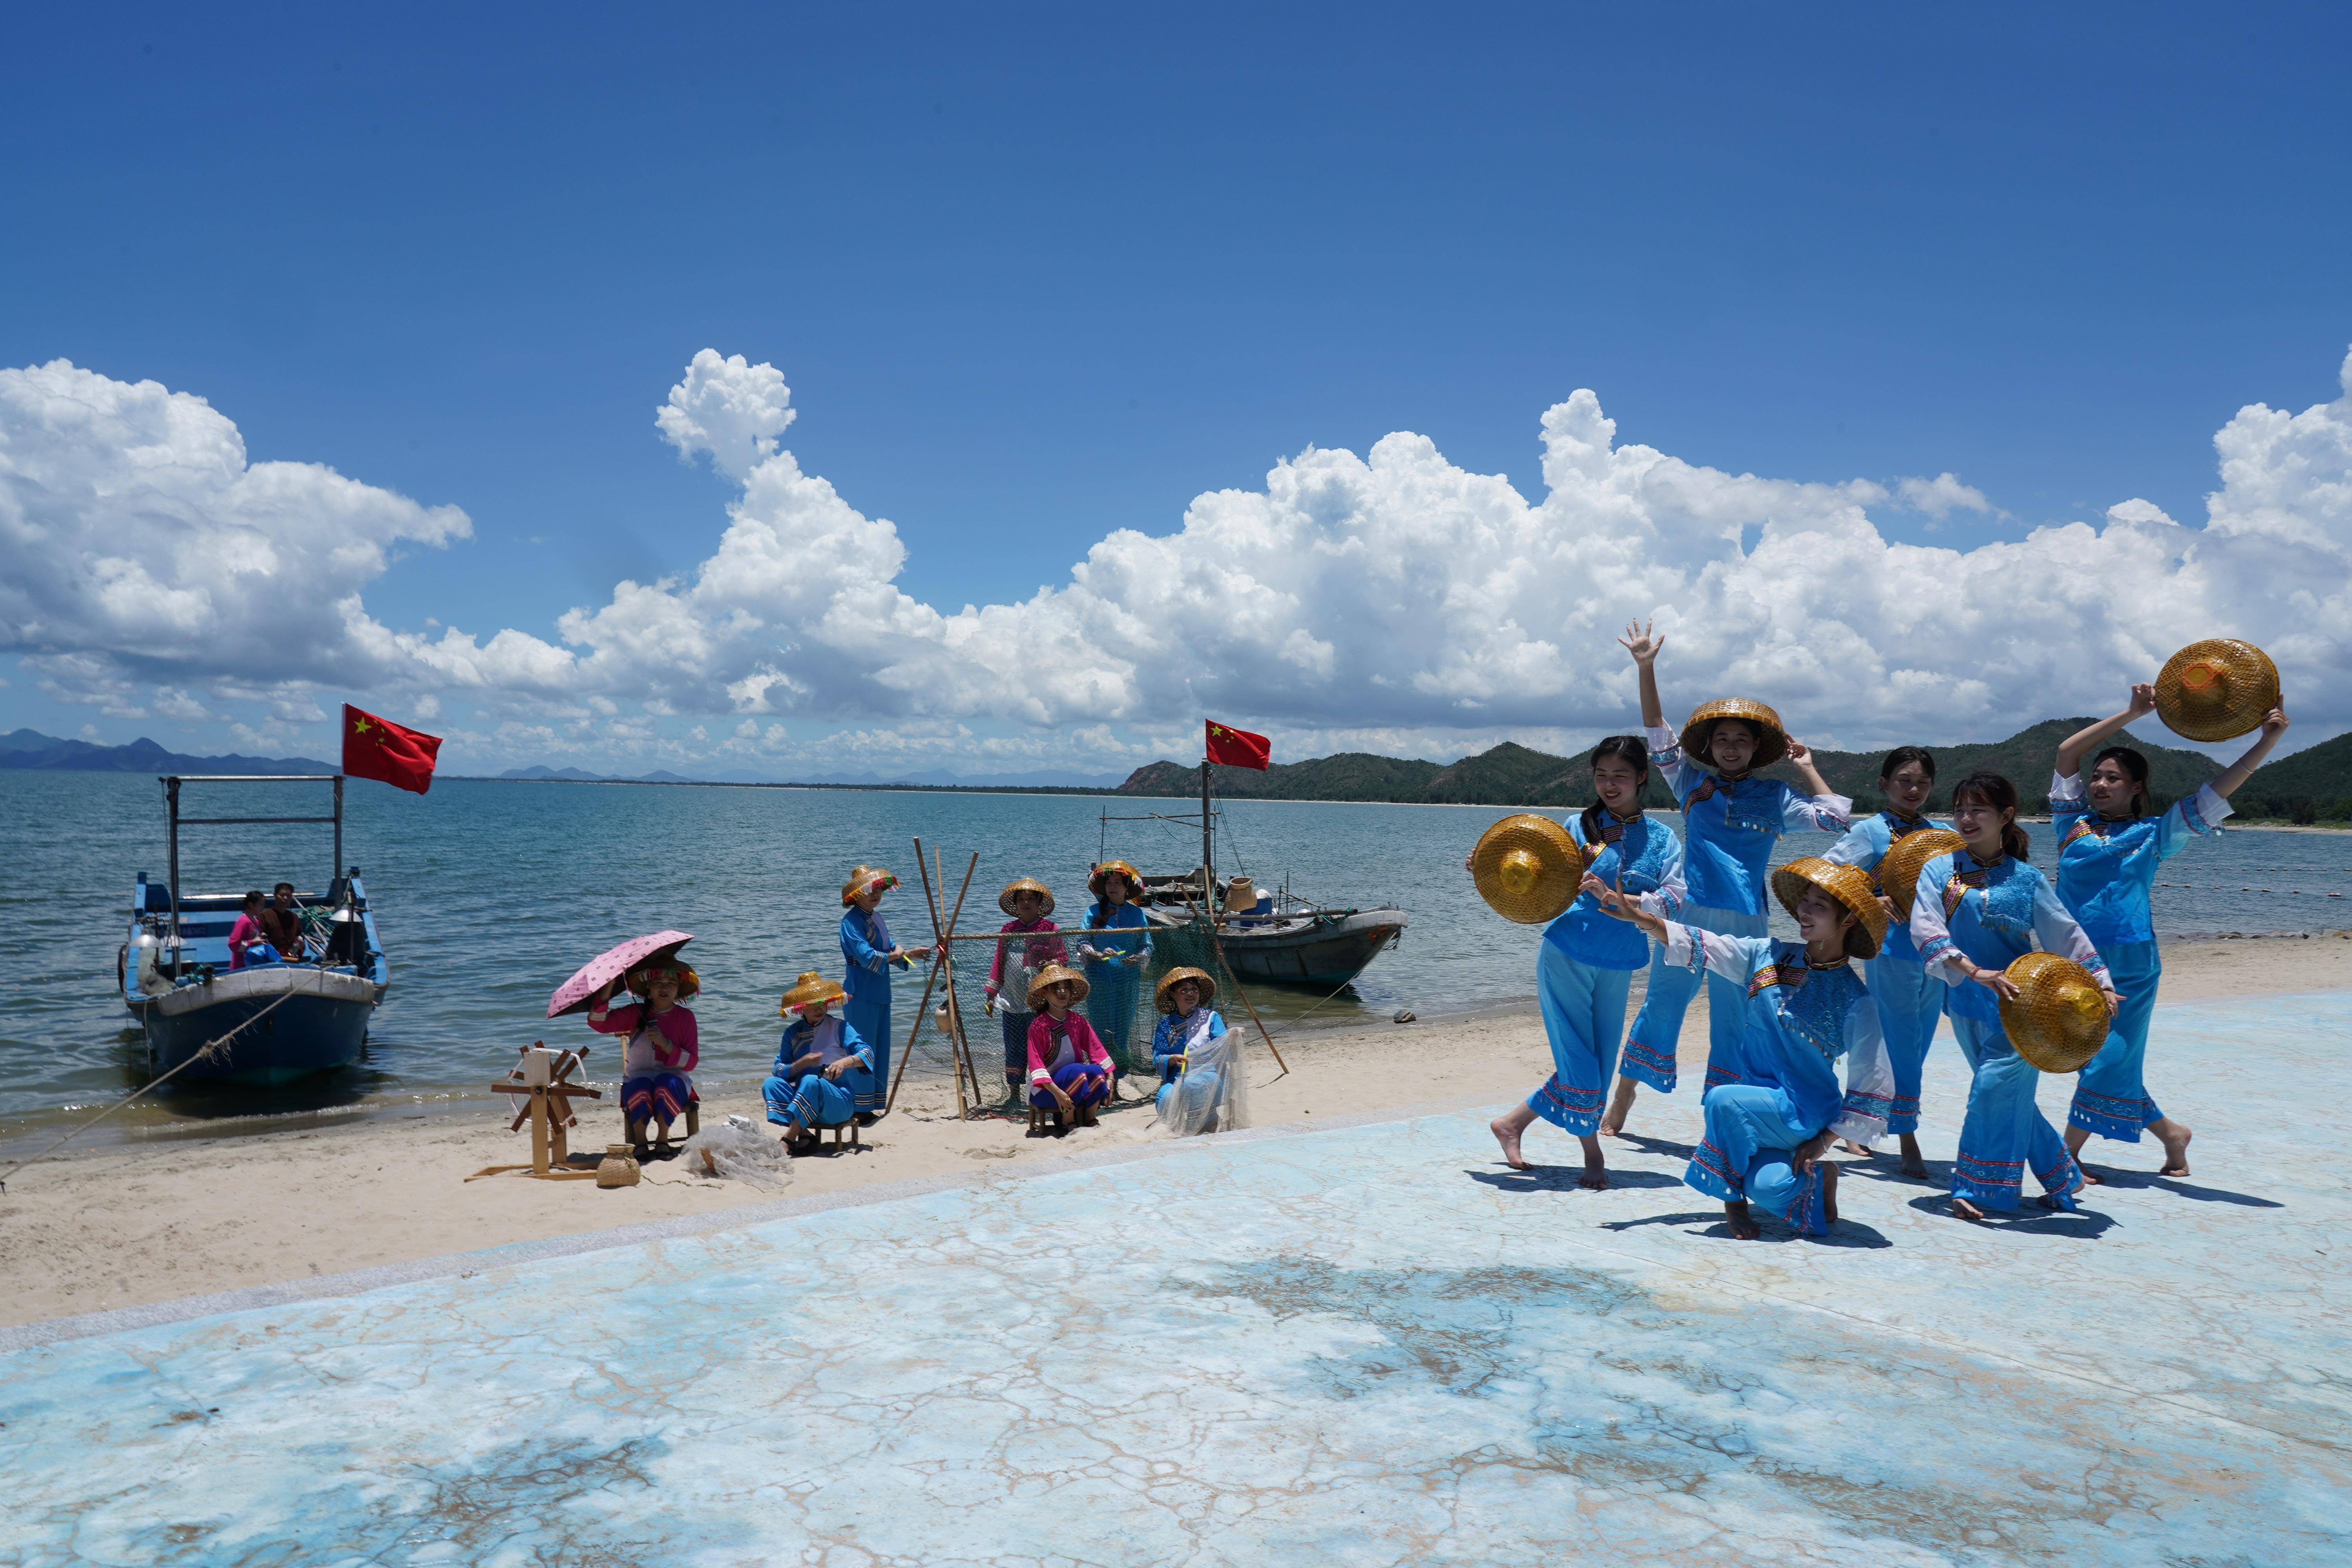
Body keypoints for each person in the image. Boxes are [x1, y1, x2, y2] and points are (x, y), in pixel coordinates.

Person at [1606, 620, 1852, 1132]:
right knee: (1661, 1007)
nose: (1732, 747)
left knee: (1736, 1025)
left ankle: (1725, 1119)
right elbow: (1657, 730)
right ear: (1710, 745)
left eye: (1742, 740)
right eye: (1723, 739)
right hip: (1689, 910)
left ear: (1756, 746)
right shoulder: (1691, 783)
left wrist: (1805, 765)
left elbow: (1834, 819)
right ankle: (1622, 1102)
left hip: (1745, 923)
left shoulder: (1776, 796)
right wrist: (1647, 667)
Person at [2052, 686, 2289, 1180]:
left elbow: (2217, 791)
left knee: (2107, 1059)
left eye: (2113, 778)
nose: (2099, 783)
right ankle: (2171, 1134)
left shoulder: (2156, 834)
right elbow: (2066, 753)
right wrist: (2133, 714)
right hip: (2074, 962)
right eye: (2097, 776)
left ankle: (2066, 1155)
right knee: (2088, 1056)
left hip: (2131, 965)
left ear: (2136, 788)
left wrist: (2268, 741)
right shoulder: (2069, 825)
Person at [1593, 855, 1894, 1239]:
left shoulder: (1857, 1000)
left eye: (1819, 906)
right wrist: (1643, 919)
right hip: (1758, 1100)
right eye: (1805, 900)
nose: (1805, 910)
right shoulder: (1767, 955)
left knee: (1721, 1099)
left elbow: (1874, 1083)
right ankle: (1821, 1181)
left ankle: (1733, 1207)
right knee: (1767, 1188)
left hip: (1804, 1109)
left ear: (1848, 920)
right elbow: (1705, 944)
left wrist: (1825, 1140)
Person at [1909, 771, 2118, 1220]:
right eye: (1960, 809)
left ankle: (1979, 1189)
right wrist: (1971, 971)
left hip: (2025, 1005)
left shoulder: (2026, 878)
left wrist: (2101, 981)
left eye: (1978, 810)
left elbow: (2065, 932)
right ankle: (2063, 1176)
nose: (1966, 818)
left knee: (1989, 1090)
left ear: (2005, 816)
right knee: (2008, 1096)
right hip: (1967, 998)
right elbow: (1926, 926)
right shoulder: (1939, 869)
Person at [1485, 736, 1684, 1189]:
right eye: (1601, 775)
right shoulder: (1577, 826)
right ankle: (1593, 1155)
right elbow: (1533, 876)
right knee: (1580, 1063)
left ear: (1641, 778)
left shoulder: (1663, 838)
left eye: (1620, 775)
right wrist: (1492, 866)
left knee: (1599, 1061)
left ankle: (1511, 1124)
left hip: (1621, 959)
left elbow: (1674, 900)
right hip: (1567, 952)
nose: (1609, 785)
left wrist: (1621, 900)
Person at [1822, 746, 1946, 1176]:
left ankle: (1854, 1125)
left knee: (1915, 1046)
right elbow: (1825, 875)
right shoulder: (1871, 832)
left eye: (1923, 783)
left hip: (1937, 953)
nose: (1914, 789)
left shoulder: (1941, 834)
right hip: (1889, 951)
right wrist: (1871, 901)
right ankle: (1906, 1138)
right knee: (1892, 1046)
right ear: (1884, 785)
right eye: (1904, 781)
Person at [839, 866, 935, 1121]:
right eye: (870, 890)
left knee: (879, 1049)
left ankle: (870, 1104)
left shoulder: (877, 919)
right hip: (860, 992)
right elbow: (867, 956)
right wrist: (897, 954)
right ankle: (858, 1107)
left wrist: (911, 954)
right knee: (861, 1050)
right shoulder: (850, 923)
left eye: (879, 889)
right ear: (857, 895)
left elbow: (891, 949)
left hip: (882, 991)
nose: (876, 894)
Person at [588, 960, 700, 1151]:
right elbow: (599, 1024)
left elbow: (691, 1063)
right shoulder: (636, 1013)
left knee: (666, 1083)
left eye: (671, 984)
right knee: (641, 1086)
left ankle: (662, 1140)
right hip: (639, 1077)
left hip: (675, 1080)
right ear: (649, 986)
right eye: (658, 983)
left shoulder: (685, 1017)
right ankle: (640, 1141)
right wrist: (607, 990)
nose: (665, 988)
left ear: (678, 988)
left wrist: (667, 1045)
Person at [762, 972, 876, 1153]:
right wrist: (801, 1064)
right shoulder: (792, 1034)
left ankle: (789, 1138)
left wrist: (844, 1063)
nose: (819, 1008)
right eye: (812, 1004)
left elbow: (867, 1053)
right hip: (805, 1102)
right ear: (801, 1008)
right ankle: (806, 1134)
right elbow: (778, 1070)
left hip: (837, 1104)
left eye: (822, 1002)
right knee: (771, 1084)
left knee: (810, 1081)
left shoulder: (840, 1027)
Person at [983, 877, 1067, 1099]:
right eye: (1021, 899)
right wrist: (991, 995)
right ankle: (1014, 1094)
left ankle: (1044, 1091)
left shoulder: (1050, 929)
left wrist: (1050, 964)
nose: (1026, 903)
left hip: (1040, 1001)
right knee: (1013, 1047)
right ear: (1015, 903)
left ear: (1040, 903)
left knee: (1042, 1047)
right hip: (1011, 1000)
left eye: (1031, 899)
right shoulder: (1008, 930)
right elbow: (998, 964)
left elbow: (1062, 958)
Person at [1076, 860, 1152, 1080]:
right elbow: (1082, 942)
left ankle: (1117, 1080)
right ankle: (1100, 1078)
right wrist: (1097, 955)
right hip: (1099, 980)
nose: (1113, 887)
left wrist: (1137, 958)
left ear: (1127, 888)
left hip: (1127, 981)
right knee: (1100, 1030)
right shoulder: (1092, 913)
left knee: (1122, 1030)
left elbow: (1146, 945)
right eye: (1109, 883)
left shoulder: (1137, 914)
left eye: (1118, 883)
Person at [1151, 966, 1250, 1136]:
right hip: (1178, 1078)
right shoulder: (1165, 1025)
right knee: (1163, 1099)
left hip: (1212, 1075)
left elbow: (1223, 1047)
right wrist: (1172, 1059)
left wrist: (1232, 1037)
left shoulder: (1211, 1018)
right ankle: (1192, 1121)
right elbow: (1158, 1057)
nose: (1191, 994)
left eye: (1194, 990)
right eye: (1184, 990)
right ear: (1173, 995)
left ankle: (1209, 1119)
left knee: (1192, 1085)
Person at [1025, 962, 1113, 1132]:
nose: (1062, 992)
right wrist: (1058, 1093)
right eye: (1056, 988)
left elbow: (1097, 1050)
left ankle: (1090, 1118)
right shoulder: (1037, 1027)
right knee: (1076, 1070)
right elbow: (1036, 1066)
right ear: (1045, 992)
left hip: (1076, 1085)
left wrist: (1110, 1078)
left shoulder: (1078, 1021)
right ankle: (1068, 1121)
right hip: (1047, 1092)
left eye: (1066, 987)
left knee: (1096, 1071)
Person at [226, 891, 278, 969]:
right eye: (261, 905)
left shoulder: (255, 921)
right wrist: (252, 942)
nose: (263, 908)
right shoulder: (244, 921)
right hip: (240, 967)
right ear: (251, 905)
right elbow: (233, 945)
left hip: (252, 965)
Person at [258, 882, 307, 960]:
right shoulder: (264, 916)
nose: (285, 898)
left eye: (289, 896)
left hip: (291, 956)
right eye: (282, 895)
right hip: (271, 957)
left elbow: (300, 935)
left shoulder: (294, 917)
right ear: (275, 896)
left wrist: (297, 946)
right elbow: (261, 936)